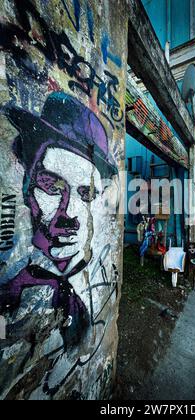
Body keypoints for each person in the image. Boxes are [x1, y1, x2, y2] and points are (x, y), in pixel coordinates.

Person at [0, 92, 120, 346]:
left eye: (86, 194)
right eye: (52, 187)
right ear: (27, 188)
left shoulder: (81, 295)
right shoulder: (8, 292)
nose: (71, 216)